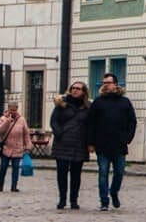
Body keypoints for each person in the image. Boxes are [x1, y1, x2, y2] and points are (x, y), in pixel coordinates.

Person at [87, 73, 136, 211]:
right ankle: (104, 200)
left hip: (119, 144)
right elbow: (91, 123)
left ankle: (114, 192)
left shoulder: (124, 102)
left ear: (115, 84)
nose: (106, 85)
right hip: (102, 144)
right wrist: (90, 142)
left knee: (119, 172)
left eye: (108, 82)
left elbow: (132, 121)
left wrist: (128, 138)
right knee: (103, 172)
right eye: (104, 83)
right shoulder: (98, 102)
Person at [49, 81, 91, 210]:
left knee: (76, 174)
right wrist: (59, 133)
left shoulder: (88, 107)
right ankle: (62, 199)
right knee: (61, 173)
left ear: (84, 91)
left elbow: (91, 125)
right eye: (73, 88)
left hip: (79, 144)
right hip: (63, 143)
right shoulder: (62, 104)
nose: (75, 90)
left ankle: (74, 200)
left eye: (78, 88)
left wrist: (90, 141)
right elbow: (53, 120)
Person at [0, 101, 33, 193]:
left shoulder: (22, 120)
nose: (13, 112)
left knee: (15, 168)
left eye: (14, 110)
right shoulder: (3, 118)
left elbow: (26, 134)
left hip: (18, 148)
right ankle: (0, 185)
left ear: (17, 109)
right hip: (6, 148)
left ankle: (14, 186)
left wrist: (28, 146)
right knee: (3, 167)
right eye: (11, 110)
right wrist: (7, 121)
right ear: (8, 109)